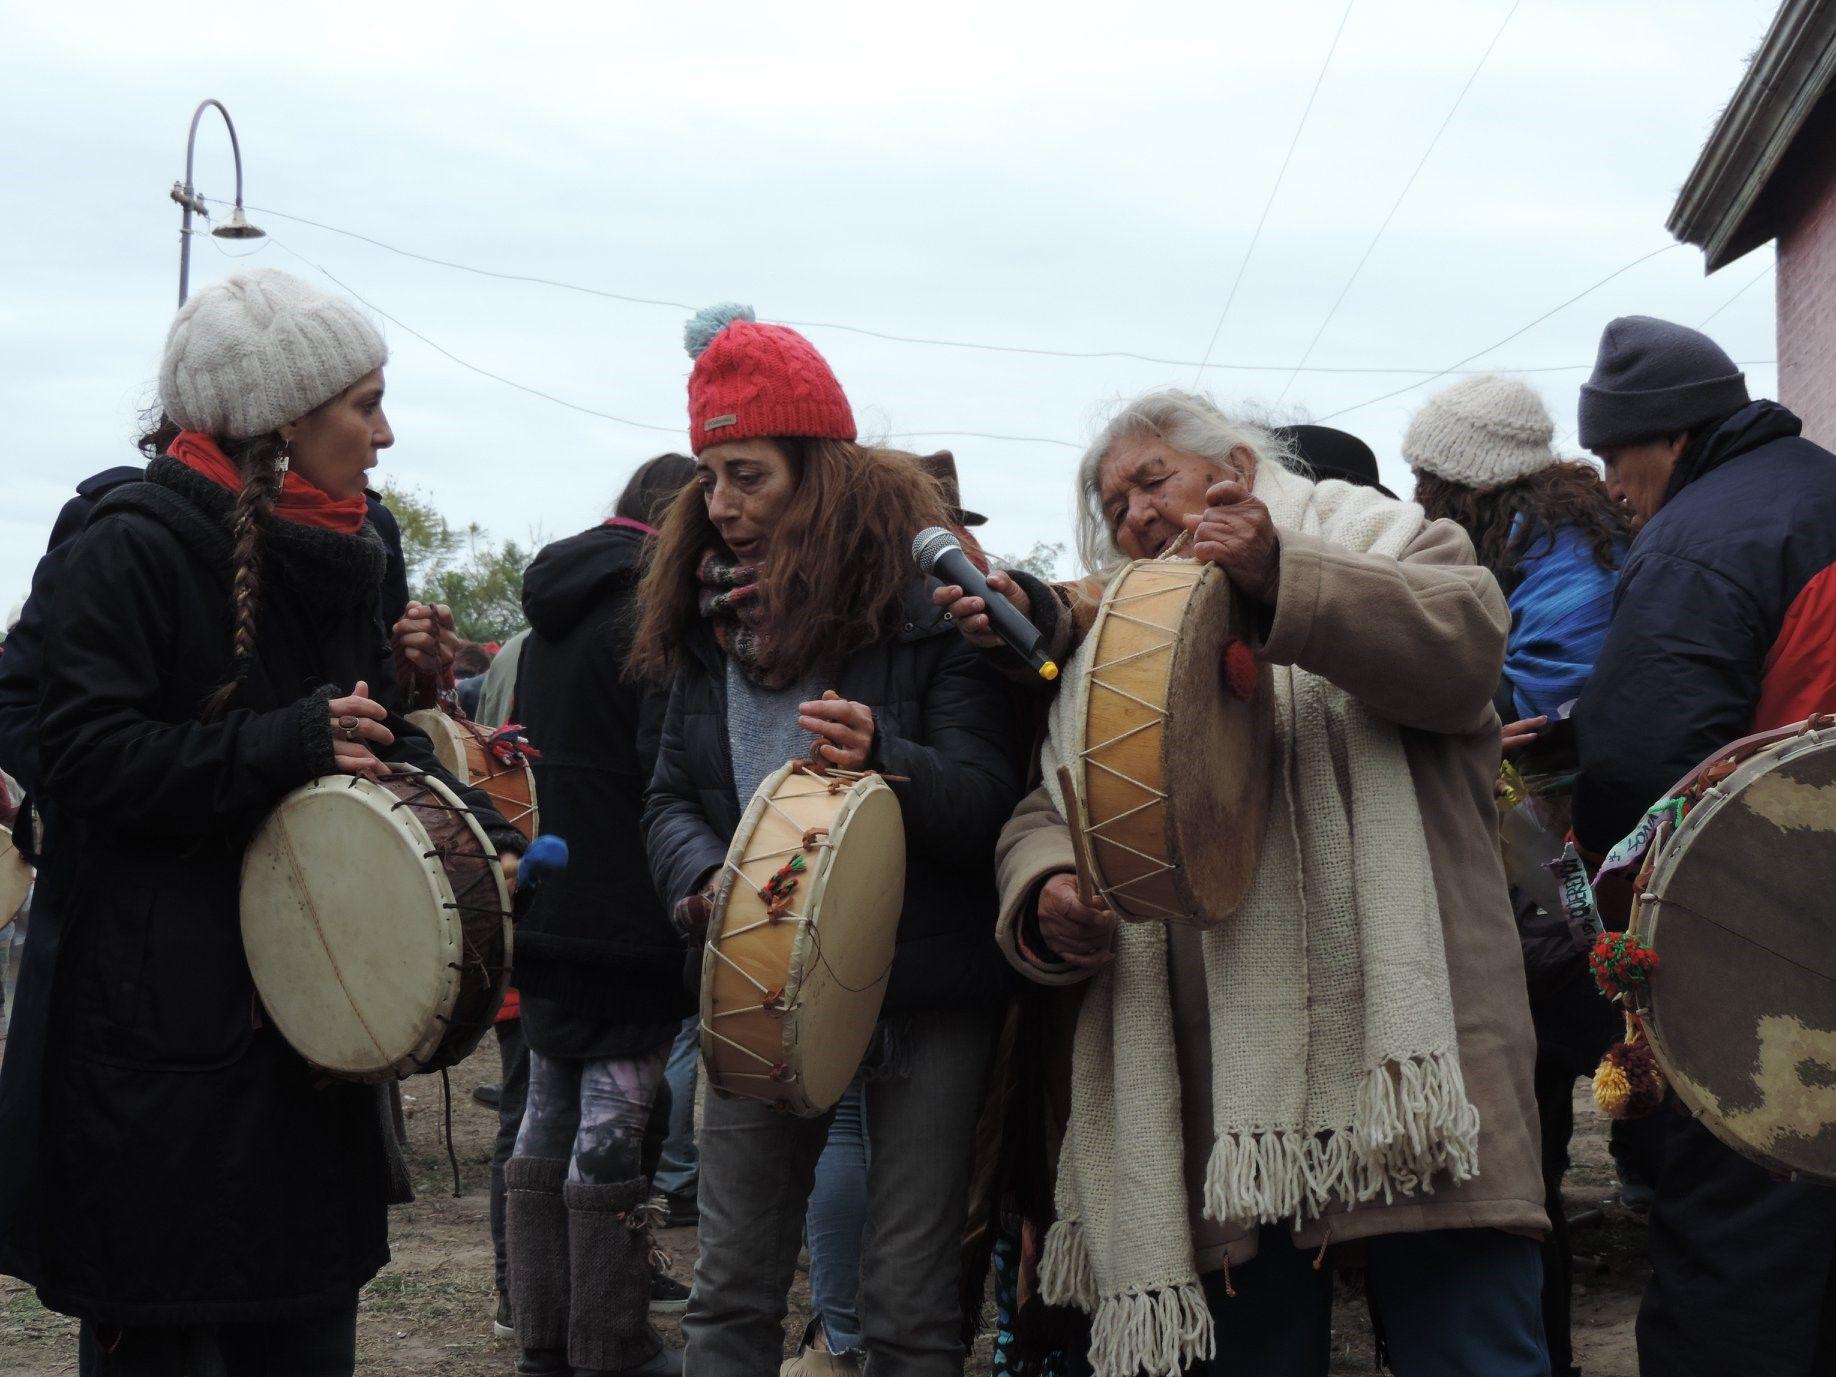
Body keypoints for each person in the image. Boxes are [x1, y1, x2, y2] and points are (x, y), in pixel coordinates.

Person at [967, 389, 1547, 1377]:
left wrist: (1279, 576)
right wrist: (1053, 881)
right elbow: (1048, 808)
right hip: (1226, 1083)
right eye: (1114, 509)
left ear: (1235, 469)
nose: (1136, 515)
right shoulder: (1110, 652)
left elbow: (1464, 650)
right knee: (1253, 1353)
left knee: (1472, 1344)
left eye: (1154, 480)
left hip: (1417, 1052)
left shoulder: (1387, 539)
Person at [15, 268, 526, 1376]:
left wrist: (421, 731)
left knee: (299, 1324)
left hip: (311, 1023)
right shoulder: (133, 540)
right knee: (171, 1327)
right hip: (158, 1040)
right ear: (282, 418)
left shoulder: (355, 543)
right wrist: (284, 740)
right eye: (364, 404)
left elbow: (345, 759)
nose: (386, 434)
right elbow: (78, 754)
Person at [636, 304, 1024, 1375]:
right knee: (729, 1296)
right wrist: (707, 878)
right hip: (750, 981)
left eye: (748, 475)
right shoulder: (707, 624)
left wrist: (884, 757)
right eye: (710, 477)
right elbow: (669, 797)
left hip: (922, 987)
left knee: (905, 1307)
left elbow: (991, 797)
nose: (721, 508)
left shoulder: (930, 607)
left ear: (822, 470)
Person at [1569, 316, 1836, 1377]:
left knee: (1740, 1259)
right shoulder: (1818, 490)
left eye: (1613, 457)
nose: (1609, 487)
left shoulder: (1698, 538)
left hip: (1768, 955)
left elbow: (1647, 770)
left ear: (1672, 439)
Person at [1402, 373, 1631, 1377]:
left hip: (1546, 882)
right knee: (1526, 1146)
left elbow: (1536, 695)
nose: (1415, 494)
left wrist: (1431, 673)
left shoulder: (1559, 563)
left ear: (1465, 480)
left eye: (1426, 475)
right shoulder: (1547, 544)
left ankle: (1541, 1354)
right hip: (1545, 876)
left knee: (1521, 1154)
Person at [503, 452, 698, 1377]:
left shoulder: (552, 612)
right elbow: (666, 766)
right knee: (611, 1129)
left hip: (551, 894)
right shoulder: (653, 613)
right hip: (629, 904)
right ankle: (608, 1340)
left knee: (548, 1117)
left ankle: (545, 1335)